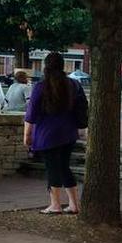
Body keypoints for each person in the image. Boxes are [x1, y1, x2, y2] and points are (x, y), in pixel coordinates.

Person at [24, 52, 87, 214]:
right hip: (68, 132)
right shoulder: (73, 85)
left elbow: (30, 115)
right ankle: (74, 204)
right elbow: (81, 107)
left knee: (52, 168)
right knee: (65, 167)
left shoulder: (41, 87)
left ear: (46, 67)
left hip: (47, 134)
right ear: (62, 65)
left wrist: (27, 136)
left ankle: (55, 204)